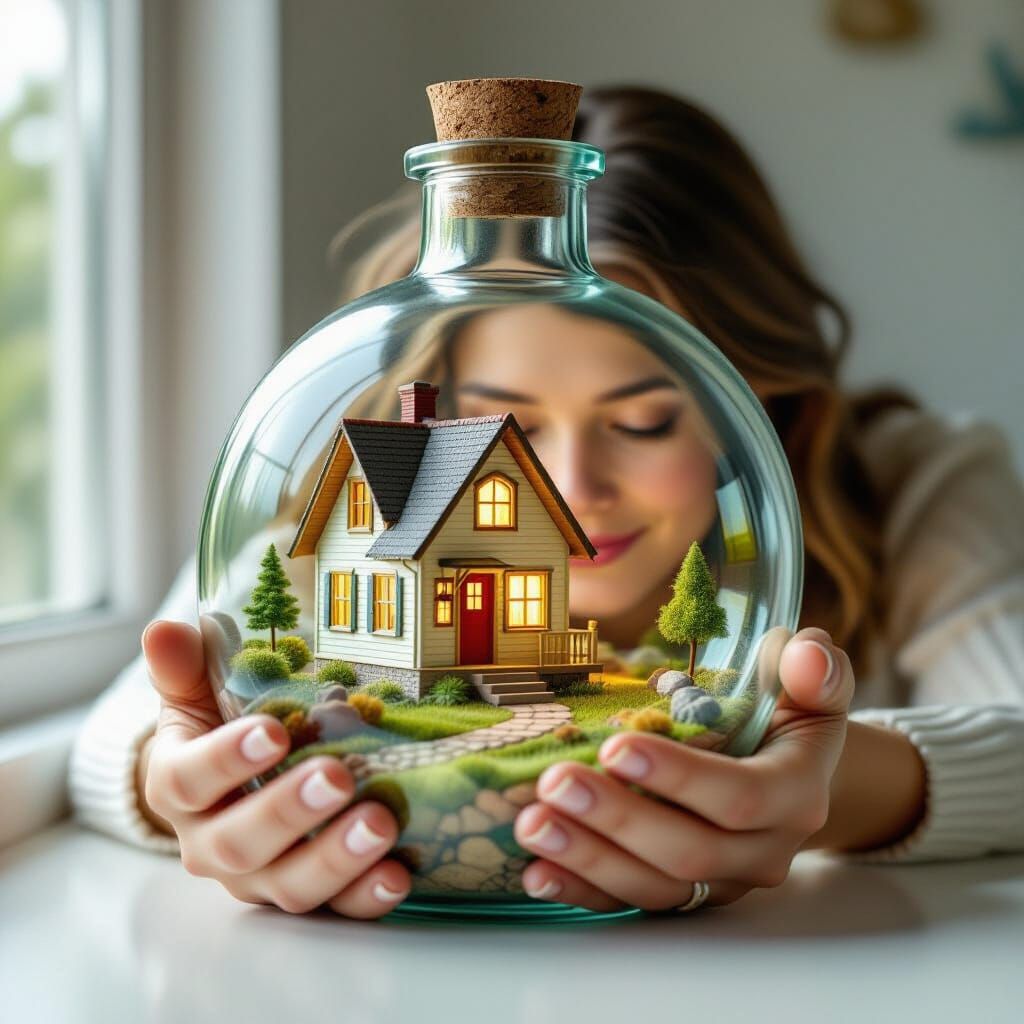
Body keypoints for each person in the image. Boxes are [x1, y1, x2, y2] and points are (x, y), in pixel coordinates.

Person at [70, 86, 1024, 918]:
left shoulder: (918, 486)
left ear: (760, 405)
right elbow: (123, 733)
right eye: (505, 429)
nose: (571, 486)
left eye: (645, 422)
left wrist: (827, 788)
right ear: (434, 397)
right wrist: (187, 788)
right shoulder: (348, 497)